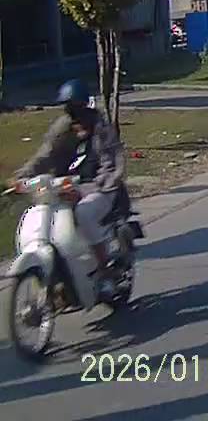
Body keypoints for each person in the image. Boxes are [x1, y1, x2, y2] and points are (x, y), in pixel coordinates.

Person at [12, 80, 127, 296]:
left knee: (83, 212)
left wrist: (91, 187)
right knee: (46, 213)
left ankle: (104, 270)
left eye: (76, 107)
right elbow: (45, 155)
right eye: (68, 108)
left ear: (85, 105)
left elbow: (112, 163)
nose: (73, 113)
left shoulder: (101, 129)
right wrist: (23, 175)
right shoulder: (62, 129)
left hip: (100, 189)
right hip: (66, 187)